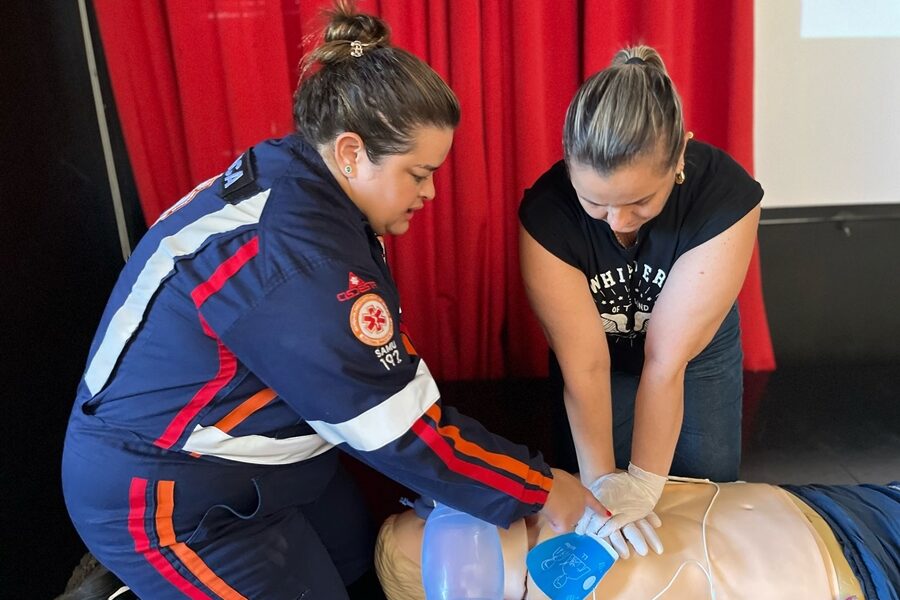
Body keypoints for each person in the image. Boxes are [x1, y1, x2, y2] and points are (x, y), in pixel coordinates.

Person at [61, 3, 606, 598]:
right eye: (418, 173)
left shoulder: (304, 179)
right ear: (351, 152)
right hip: (163, 490)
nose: (430, 193)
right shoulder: (297, 260)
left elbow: (369, 377)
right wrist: (542, 486)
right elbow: (398, 431)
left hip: (261, 458)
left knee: (355, 557)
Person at [518, 45, 763, 553]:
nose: (618, 223)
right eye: (596, 203)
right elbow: (584, 368)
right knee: (597, 506)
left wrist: (647, 483)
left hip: (692, 357)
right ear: (569, 167)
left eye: (639, 202)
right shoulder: (546, 214)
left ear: (679, 160)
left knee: (701, 492)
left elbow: (666, 360)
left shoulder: (723, 196)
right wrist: (604, 486)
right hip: (593, 359)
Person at [375, 478, 895, 600]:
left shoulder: (544, 497)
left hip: (818, 509)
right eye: (426, 528)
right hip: (851, 579)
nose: (441, 513)